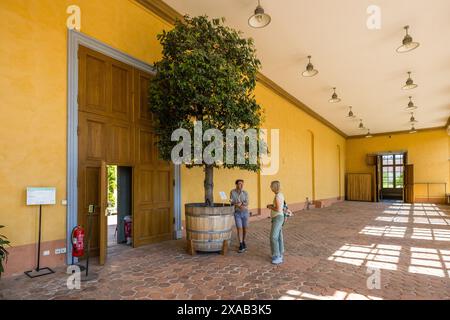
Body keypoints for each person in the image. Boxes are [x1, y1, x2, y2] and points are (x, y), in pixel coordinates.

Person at [266, 181, 285, 265]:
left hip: (277, 218)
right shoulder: (280, 194)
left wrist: (270, 206)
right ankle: (280, 253)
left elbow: (277, 209)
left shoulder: (277, 196)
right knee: (278, 236)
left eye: (271, 186)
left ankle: (277, 256)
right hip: (279, 217)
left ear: (274, 187)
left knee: (273, 237)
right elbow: (280, 206)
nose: (270, 187)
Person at [230, 179, 249, 253]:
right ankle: (240, 244)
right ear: (236, 184)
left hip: (245, 212)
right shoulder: (232, 192)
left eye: (242, 184)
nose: (241, 185)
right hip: (237, 213)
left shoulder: (245, 193)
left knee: (245, 229)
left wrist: (240, 204)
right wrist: (236, 204)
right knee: (239, 228)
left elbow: (247, 202)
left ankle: (244, 241)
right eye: (240, 184)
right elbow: (231, 201)